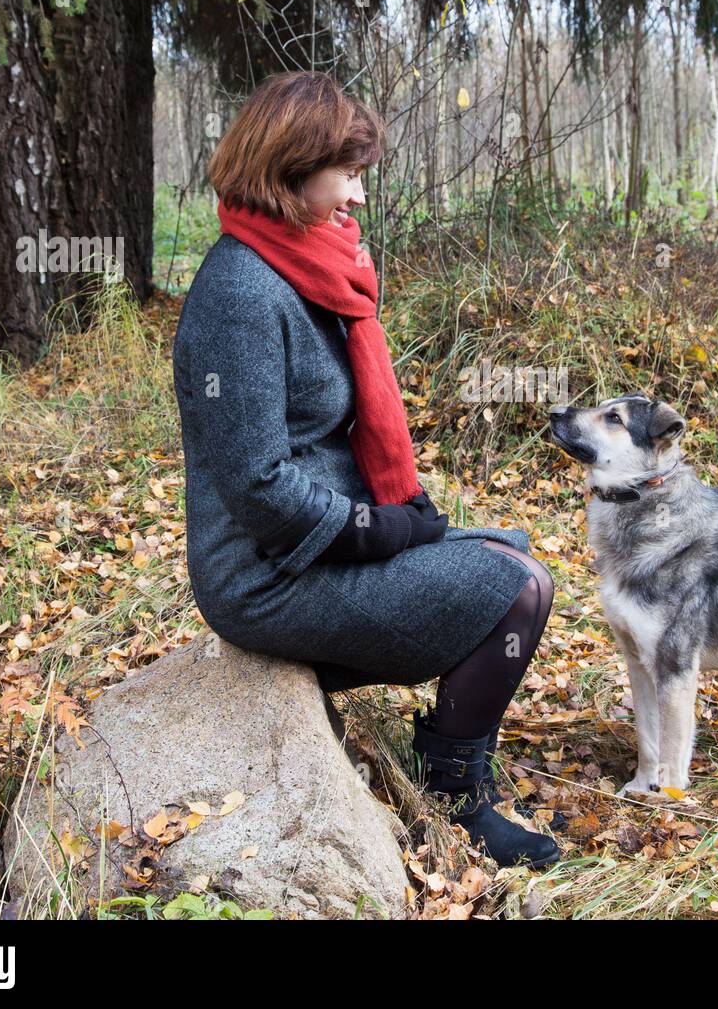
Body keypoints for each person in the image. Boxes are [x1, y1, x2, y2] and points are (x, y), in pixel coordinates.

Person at [172, 71, 561, 868]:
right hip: (266, 573)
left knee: (513, 558)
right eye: (347, 174)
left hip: (311, 547)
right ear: (292, 167)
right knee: (516, 590)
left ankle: (451, 768)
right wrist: (378, 529)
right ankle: (457, 797)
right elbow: (255, 482)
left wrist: (393, 519)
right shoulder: (240, 292)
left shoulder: (307, 267)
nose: (357, 196)